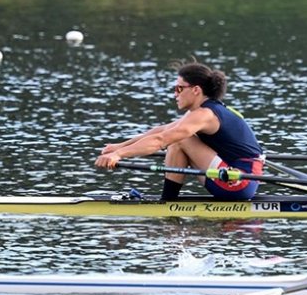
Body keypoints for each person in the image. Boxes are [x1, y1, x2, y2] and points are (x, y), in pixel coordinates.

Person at [95, 61, 264, 201]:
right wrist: (119, 147)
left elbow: (161, 140)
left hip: (240, 181)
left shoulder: (205, 114)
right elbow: (161, 130)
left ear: (196, 90)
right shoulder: (201, 113)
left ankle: (167, 203)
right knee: (175, 137)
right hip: (230, 177)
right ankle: (168, 201)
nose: (175, 94)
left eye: (179, 89)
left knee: (178, 139)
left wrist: (119, 155)